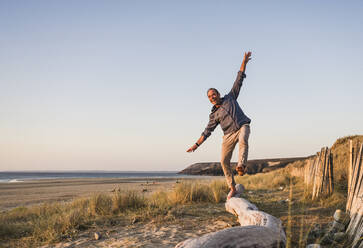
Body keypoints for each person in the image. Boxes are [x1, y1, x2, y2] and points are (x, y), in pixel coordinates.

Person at [186, 51, 252, 199]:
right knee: (223, 161)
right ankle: (232, 187)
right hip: (228, 135)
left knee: (243, 140)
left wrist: (244, 62)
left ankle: (241, 165)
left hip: (242, 126)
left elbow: (239, 79)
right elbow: (206, 132)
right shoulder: (213, 115)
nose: (212, 97)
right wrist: (195, 145)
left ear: (218, 93)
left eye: (213, 94)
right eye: (209, 96)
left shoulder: (230, 97)